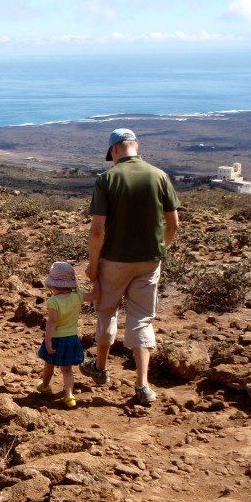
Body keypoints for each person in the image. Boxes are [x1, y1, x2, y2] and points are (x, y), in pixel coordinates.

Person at [79, 128, 180, 405]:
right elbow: (173, 224)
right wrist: (160, 250)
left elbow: (97, 231)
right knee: (141, 319)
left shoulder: (107, 179)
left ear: (114, 151)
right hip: (149, 261)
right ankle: (143, 385)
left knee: (106, 311)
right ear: (136, 146)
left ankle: (100, 369)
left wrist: (93, 265)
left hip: (114, 260)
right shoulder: (160, 176)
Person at [36, 261, 100, 408]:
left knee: (49, 364)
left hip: (57, 338)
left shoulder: (53, 301)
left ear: (52, 284)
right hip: (71, 338)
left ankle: (45, 386)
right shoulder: (77, 295)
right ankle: (69, 395)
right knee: (67, 370)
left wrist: (48, 340)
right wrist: (96, 279)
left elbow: (52, 322)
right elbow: (95, 295)